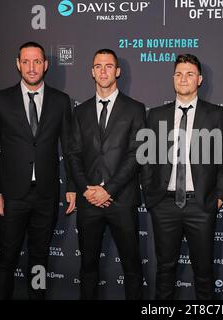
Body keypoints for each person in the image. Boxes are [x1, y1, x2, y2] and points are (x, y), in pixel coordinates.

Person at [0, 41, 76, 299]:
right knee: (7, 259)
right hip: (10, 197)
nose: (31, 67)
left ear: (45, 65)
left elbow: (69, 149)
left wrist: (72, 187)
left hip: (45, 196)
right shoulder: (0, 100)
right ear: (18, 64)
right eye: (26, 61)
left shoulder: (60, 101)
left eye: (37, 62)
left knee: (39, 260)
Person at [141, 54, 223, 299]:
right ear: (173, 78)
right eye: (179, 74)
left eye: (190, 74)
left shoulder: (217, 115)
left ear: (199, 79)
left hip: (201, 205)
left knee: (204, 273)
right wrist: (152, 195)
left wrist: (219, 196)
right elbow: (145, 159)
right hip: (165, 204)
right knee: (165, 270)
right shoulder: (156, 115)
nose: (183, 78)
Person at [68, 49, 145, 300]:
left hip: (122, 200)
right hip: (89, 201)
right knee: (88, 267)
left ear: (117, 71)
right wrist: (87, 190)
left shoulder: (135, 109)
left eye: (108, 66)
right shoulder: (79, 112)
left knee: (132, 268)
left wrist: (108, 189)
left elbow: (137, 154)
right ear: (92, 71)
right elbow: (73, 155)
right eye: (98, 66)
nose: (103, 71)